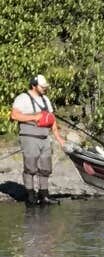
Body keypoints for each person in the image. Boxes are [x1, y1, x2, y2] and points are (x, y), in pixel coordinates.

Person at [9, 75, 65, 206]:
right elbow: (14, 115)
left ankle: (44, 195)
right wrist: (34, 117)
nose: (45, 88)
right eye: (42, 86)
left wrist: (59, 138)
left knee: (45, 167)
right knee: (30, 167)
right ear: (34, 85)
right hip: (29, 137)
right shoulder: (22, 98)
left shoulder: (46, 99)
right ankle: (30, 196)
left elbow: (52, 119)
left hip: (45, 138)